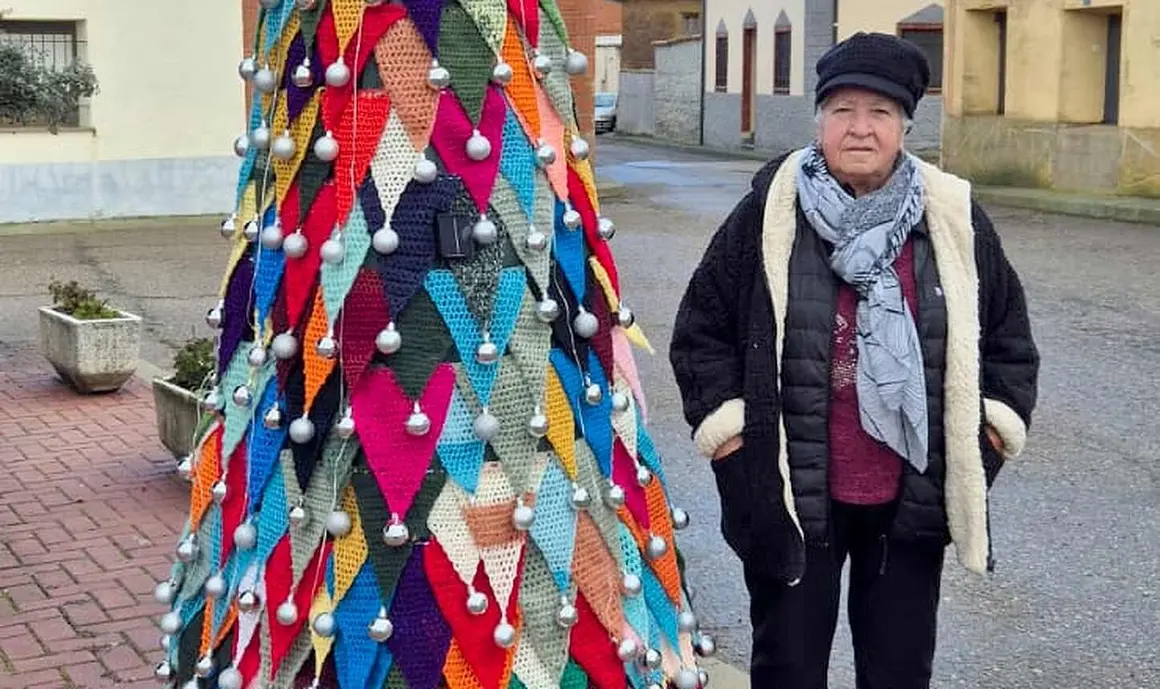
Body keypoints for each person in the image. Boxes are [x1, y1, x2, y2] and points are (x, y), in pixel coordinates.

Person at [152, 1, 710, 688]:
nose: (401, 97)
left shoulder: (508, 78)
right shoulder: (321, 57)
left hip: (519, 399)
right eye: (384, 87)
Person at [669, 32, 1040, 689]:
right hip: (793, 496)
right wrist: (733, 445)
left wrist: (983, 438)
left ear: (905, 125)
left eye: (880, 112)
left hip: (911, 500)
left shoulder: (952, 218)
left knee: (898, 671)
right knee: (787, 667)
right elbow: (701, 331)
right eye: (843, 110)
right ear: (819, 121)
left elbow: (1009, 339)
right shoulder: (770, 211)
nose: (861, 129)